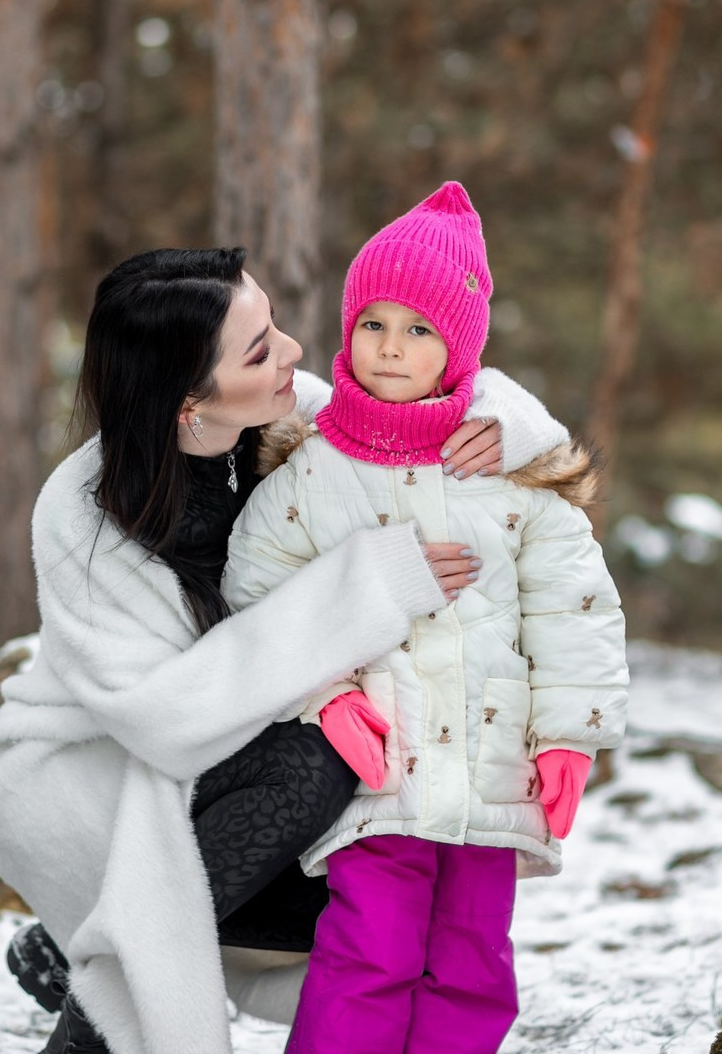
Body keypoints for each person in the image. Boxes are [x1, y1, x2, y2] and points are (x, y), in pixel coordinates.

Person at [0, 246, 562, 1054]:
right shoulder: (82, 519)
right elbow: (164, 721)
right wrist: (363, 591)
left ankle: (69, 945)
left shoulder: (297, 413)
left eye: (274, 324)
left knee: (408, 855)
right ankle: (96, 1004)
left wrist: (504, 427)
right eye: (260, 348)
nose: (297, 351)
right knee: (317, 766)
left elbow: (441, 396)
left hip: (245, 759)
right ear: (185, 401)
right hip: (92, 775)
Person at [222, 183, 629, 1054]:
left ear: (460, 348)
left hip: (493, 764)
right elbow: (259, 591)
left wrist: (570, 736)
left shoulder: (509, 468)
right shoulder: (313, 467)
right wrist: (323, 696)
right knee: (369, 947)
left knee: (474, 960)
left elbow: (576, 606)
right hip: (381, 765)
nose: (390, 348)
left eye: (418, 330)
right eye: (373, 323)